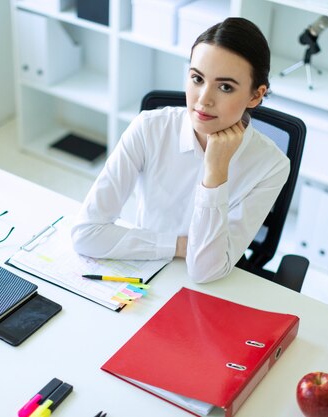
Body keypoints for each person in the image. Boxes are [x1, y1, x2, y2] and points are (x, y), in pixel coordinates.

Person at [71, 17, 290, 283]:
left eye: (225, 87)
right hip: (144, 269)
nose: (203, 99)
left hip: (211, 289)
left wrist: (215, 171)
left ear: (255, 96)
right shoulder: (149, 128)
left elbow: (204, 271)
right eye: (197, 78)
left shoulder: (272, 164)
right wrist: (179, 245)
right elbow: (86, 234)